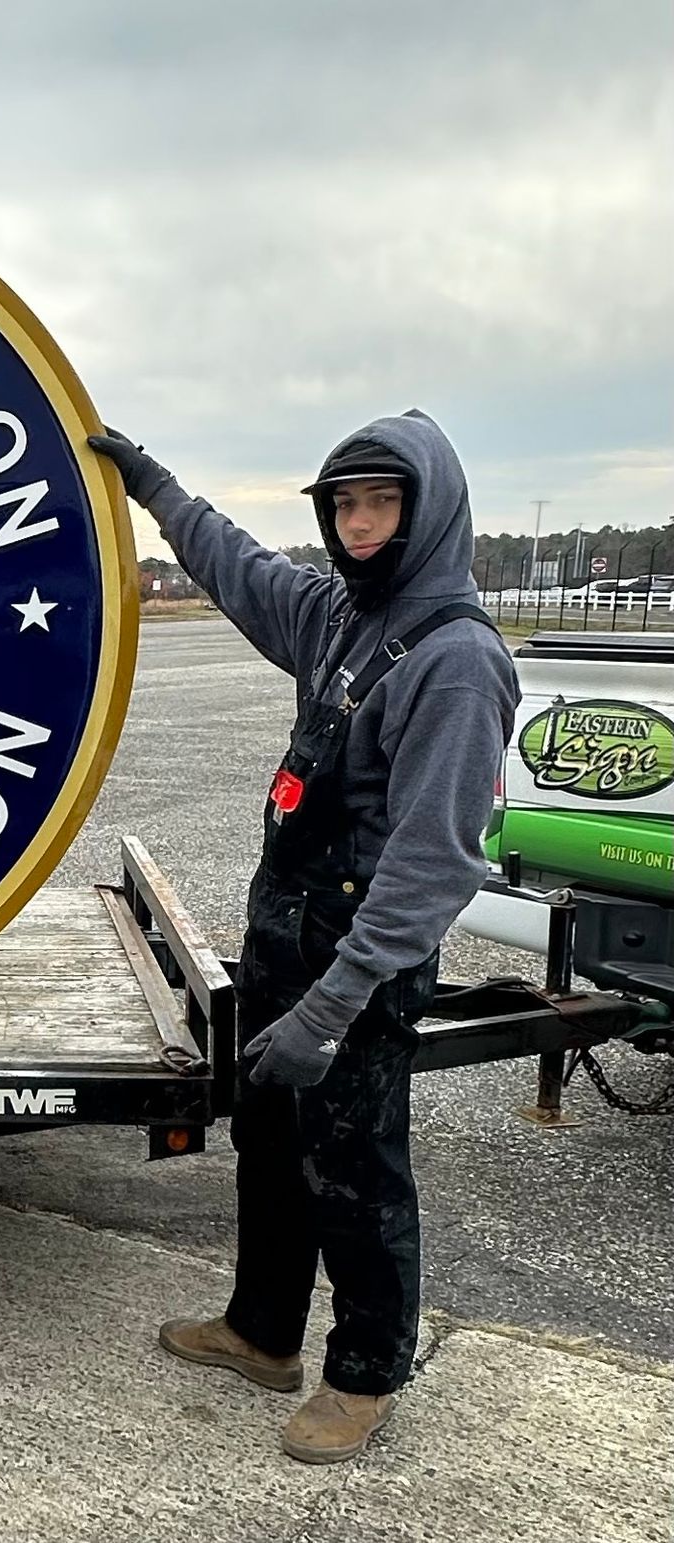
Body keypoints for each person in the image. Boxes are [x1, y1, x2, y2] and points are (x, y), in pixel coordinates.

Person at [89, 411, 516, 1463]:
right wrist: (150, 480)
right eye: (345, 505)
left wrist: (331, 1009)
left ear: (430, 512)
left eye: (383, 503)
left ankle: (365, 1372)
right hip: (288, 935)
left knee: (357, 1173)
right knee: (270, 1148)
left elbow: (431, 867)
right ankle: (262, 1331)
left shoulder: (456, 662)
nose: (361, 525)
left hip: (361, 966)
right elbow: (231, 561)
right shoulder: (334, 617)